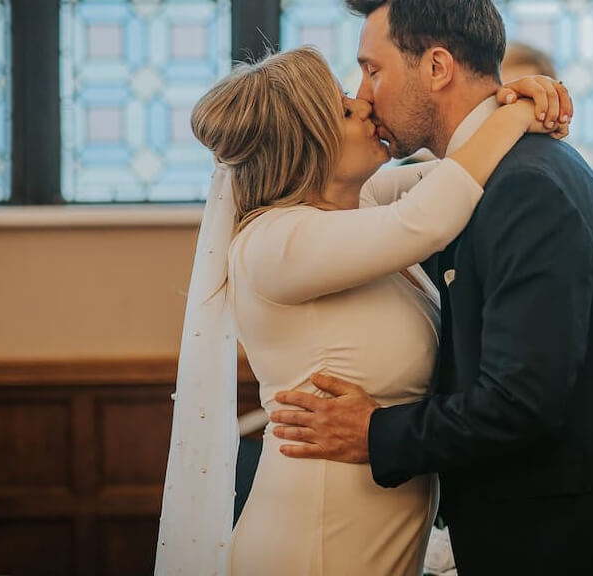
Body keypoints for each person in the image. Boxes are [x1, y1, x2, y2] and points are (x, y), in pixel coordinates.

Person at [270, 0, 593, 575]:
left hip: (588, 541)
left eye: (373, 69)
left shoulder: (526, 188)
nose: (364, 95)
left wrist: (376, 432)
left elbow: (522, 400)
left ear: (436, 67)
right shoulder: (475, 183)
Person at [154, 45, 569, 575]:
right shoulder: (272, 244)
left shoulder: (361, 204)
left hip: (372, 535)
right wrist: (516, 110)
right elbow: (432, 215)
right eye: (345, 110)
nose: (367, 107)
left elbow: (461, 167)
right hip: (316, 545)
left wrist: (520, 94)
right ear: (307, 145)